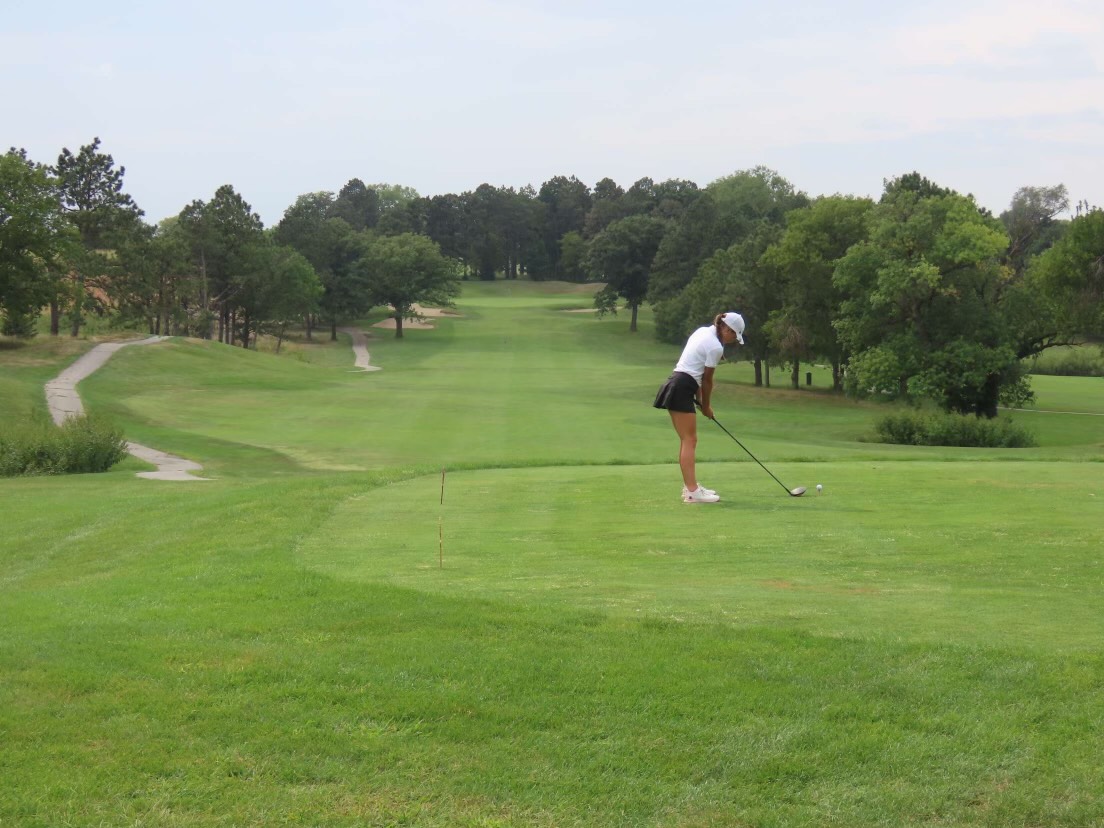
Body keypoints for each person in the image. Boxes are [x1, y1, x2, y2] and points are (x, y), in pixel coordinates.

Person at [653, 312, 745, 503]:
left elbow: (696, 373)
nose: (734, 340)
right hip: (682, 386)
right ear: (727, 329)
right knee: (690, 440)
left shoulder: (703, 331)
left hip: (679, 383)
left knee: (688, 440)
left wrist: (701, 402)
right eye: (734, 335)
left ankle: (690, 487)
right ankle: (693, 492)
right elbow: (707, 380)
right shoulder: (715, 347)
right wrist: (706, 406)